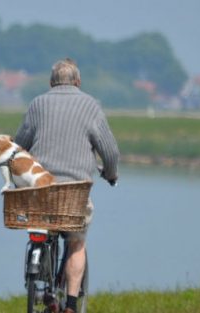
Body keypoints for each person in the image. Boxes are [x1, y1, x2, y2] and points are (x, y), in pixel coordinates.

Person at [15, 58, 119, 313]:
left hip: (40, 190)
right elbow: (110, 150)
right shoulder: (91, 106)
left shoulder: (37, 104)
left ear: (51, 83)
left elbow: (19, 145)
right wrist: (111, 173)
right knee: (76, 243)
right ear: (78, 82)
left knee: (43, 227)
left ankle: (45, 290)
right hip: (75, 193)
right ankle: (71, 304)